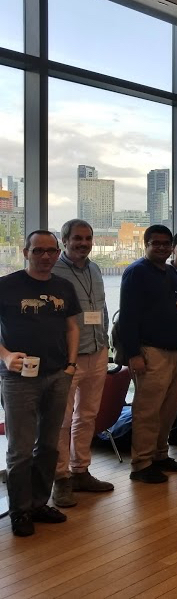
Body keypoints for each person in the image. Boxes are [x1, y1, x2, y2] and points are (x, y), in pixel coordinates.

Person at [1, 230, 80, 537]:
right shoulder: (7, 286)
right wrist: (6, 357)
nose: (45, 256)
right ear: (26, 252)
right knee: (20, 450)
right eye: (38, 251)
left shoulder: (64, 286)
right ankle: (20, 510)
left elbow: (72, 327)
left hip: (57, 375)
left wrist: (71, 365)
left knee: (48, 446)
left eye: (51, 251)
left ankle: (38, 503)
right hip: (17, 379)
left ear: (58, 253)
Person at [120, 225, 177, 484]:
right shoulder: (136, 273)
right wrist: (133, 354)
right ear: (146, 244)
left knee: (168, 410)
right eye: (156, 243)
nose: (162, 247)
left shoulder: (171, 272)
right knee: (147, 411)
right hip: (151, 352)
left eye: (166, 243)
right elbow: (128, 318)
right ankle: (141, 463)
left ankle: (160, 455)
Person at [51, 219, 113, 508]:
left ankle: (80, 470)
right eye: (77, 239)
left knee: (87, 415)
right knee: (61, 420)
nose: (83, 244)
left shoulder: (96, 269)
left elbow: (100, 308)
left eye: (88, 239)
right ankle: (60, 477)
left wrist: (106, 342)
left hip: (98, 351)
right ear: (65, 240)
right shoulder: (53, 271)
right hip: (67, 357)